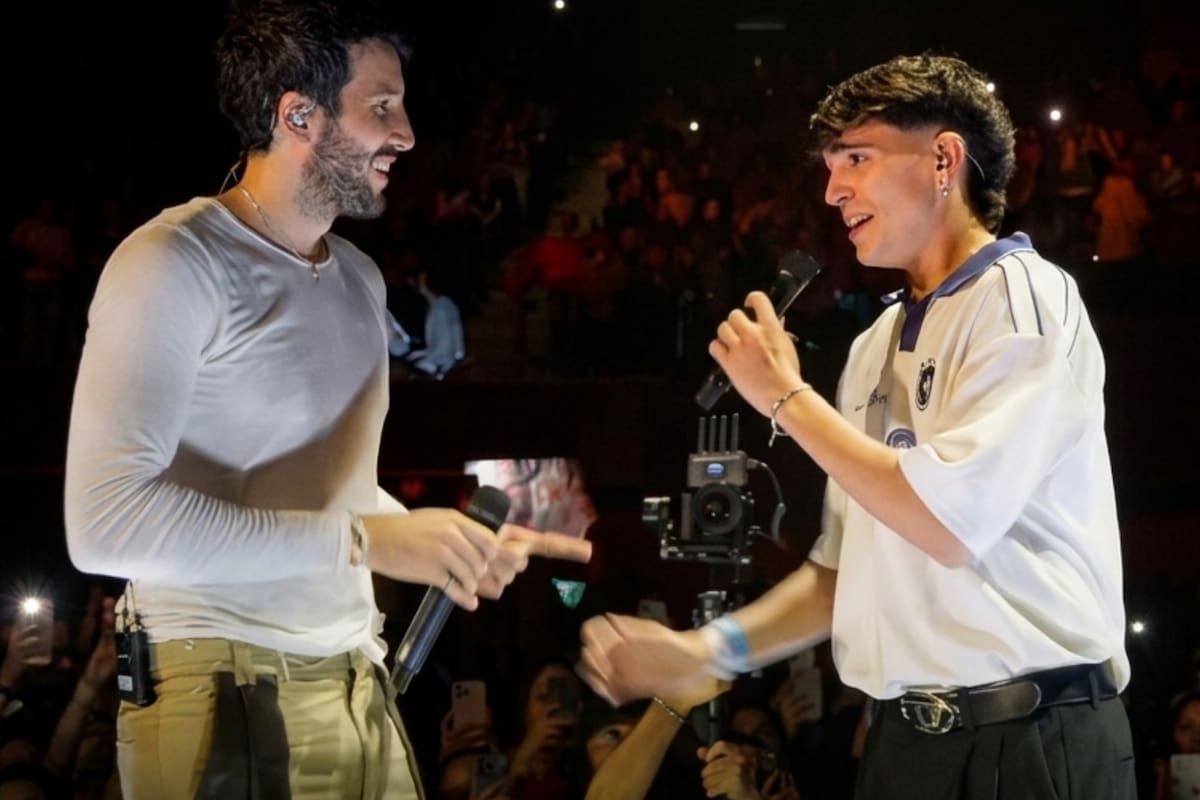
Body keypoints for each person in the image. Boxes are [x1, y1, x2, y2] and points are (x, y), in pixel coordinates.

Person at [62, 2, 591, 798]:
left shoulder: (358, 277)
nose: (407, 133)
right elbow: (105, 527)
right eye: (382, 107)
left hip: (356, 681)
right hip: (222, 689)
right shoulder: (172, 261)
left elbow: (327, 494)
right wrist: (364, 543)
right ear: (297, 115)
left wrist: (427, 537)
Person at [578, 53, 1133, 799]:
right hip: (904, 743)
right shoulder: (872, 346)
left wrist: (784, 397)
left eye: (858, 160)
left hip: (1031, 739)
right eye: (832, 167)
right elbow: (841, 574)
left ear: (943, 159)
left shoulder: (1026, 298)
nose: (833, 190)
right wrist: (710, 649)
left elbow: (945, 522)